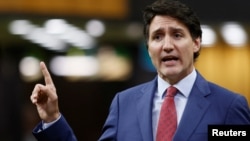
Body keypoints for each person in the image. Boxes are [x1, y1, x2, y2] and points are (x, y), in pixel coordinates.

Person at [30, 0, 250, 141]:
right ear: (149, 48)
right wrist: (52, 118)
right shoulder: (123, 104)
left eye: (177, 35)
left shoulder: (229, 107)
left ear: (196, 43)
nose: (166, 45)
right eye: (157, 37)